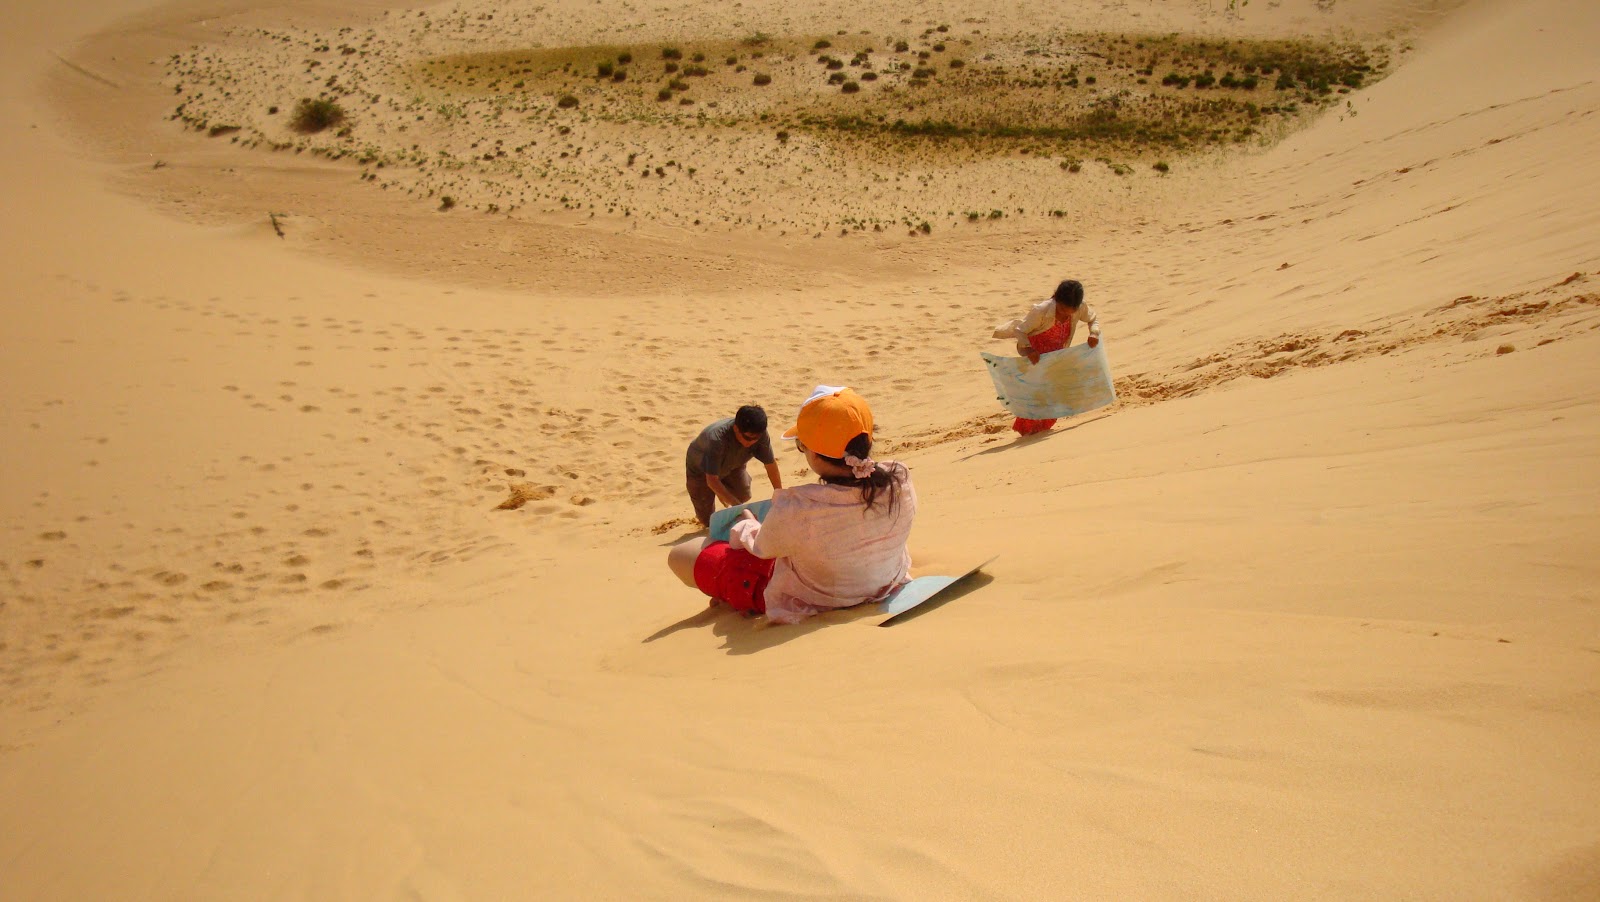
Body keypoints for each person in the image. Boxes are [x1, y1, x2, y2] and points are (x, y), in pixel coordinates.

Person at [667, 386, 916, 624]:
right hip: (883, 579)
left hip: (814, 598)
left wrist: (748, 523)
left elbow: (762, 547)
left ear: (815, 454)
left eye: (802, 446)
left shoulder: (799, 506)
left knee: (681, 554)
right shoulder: (899, 477)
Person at [991, 278, 1103, 436]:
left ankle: (1041, 432)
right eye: (1064, 309)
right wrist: (1029, 350)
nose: (1067, 313)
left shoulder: (1080, 308)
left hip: (1056, 358)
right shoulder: (1042, 310)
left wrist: (1094, 333)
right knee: (1036, 398)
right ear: (1057, 299)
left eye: (1071, 310)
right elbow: (1020, 330)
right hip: (1036, 357)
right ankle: (1028, 435)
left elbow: (1093, 319)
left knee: (1052, 397)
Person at [685, 405, 783, 527]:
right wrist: (739, 508)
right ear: (736, 429)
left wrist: (780, 495)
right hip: (700, 470)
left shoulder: (760, 435)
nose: (751, 442)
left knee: (744, 495)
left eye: (755, 438)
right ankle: (719, 494)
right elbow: (711, 480)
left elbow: (771, 465)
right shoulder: (717, 439)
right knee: (708, 521)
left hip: (733, 464)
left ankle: (723, 492)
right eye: (747, 438)